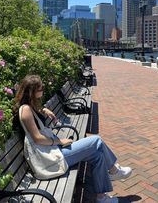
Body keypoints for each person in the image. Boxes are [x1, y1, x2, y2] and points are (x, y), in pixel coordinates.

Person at [14, 75, 132, 203]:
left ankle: (101, 197)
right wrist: (60, 141)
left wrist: (44, 109)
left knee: (97, 155)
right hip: (49, 159)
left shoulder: (30, 106)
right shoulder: (25, 109)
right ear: (32, 91)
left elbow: (36, 114)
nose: (43, 89)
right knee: (96, 141)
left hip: (53, 150)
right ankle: (113, 170)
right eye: (40, 88)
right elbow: (37, 138)